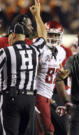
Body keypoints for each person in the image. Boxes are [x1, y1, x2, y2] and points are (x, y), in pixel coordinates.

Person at [0, 0, 47, 134]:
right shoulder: (34, 49)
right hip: (30, 99)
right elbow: (43, 36)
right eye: (30, 26)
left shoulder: (5, 51)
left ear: (12, 35)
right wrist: (37, 15)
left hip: (11, 97)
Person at [35, 20, 69, 135]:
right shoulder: (39, 48)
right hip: (38, 93)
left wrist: (61, 75)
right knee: (48, 130)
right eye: (50, 34)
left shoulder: (61, 52)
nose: (53, 38)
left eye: (56, 35)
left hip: (48, 95)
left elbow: (57, 75)